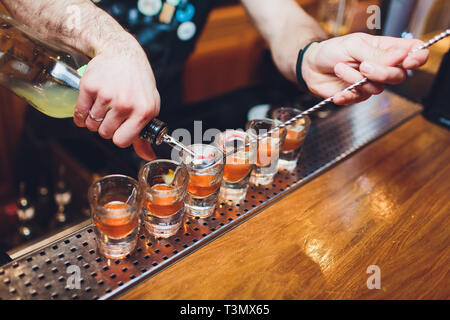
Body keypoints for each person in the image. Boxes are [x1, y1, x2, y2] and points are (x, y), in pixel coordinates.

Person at [1, 0, 429, 161]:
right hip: (59, 110)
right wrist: (115, 45)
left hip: (154, 118)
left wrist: (311, 54)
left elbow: (281, 20)